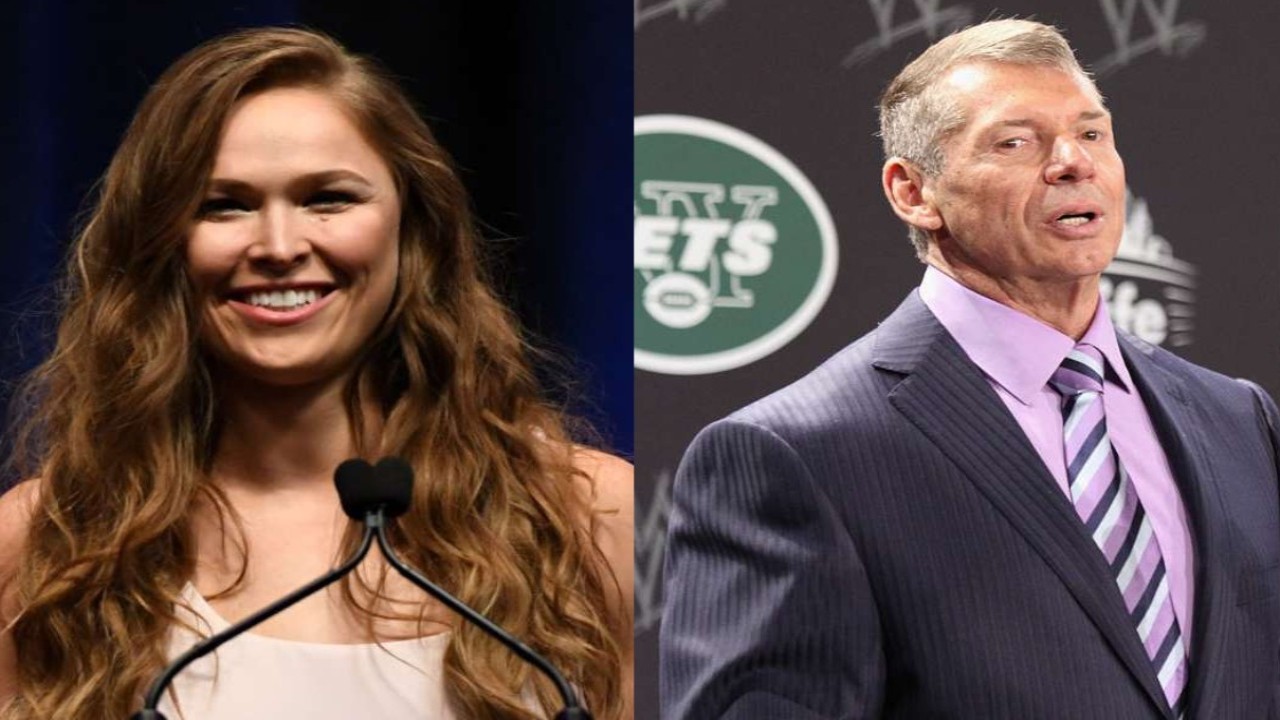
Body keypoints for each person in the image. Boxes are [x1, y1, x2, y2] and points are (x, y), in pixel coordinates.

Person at [0, 27, 633, 720]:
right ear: (160, 245)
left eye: (328, 198)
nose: (278, 247)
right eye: (224, 206)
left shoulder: (587, 515)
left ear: (413, 229)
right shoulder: (46, 539)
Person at [660, 18, 1280, 719]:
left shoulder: (1238, 418)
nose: (1072, 162)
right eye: (1015, 142)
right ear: (913, 193)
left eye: (1092, 133)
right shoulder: (796, 454)